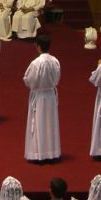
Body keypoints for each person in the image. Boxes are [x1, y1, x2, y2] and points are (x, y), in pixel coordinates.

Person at [24, 34, 61, 162]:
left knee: (39, 122)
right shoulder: (55, 61)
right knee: (49, 123)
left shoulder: (36, 63)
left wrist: (34, 86)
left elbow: (29, 80)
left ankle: (37, 153)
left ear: (38, 46)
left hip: (39, 96)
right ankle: (51, 152)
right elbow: (57, 78)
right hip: (50, 95)